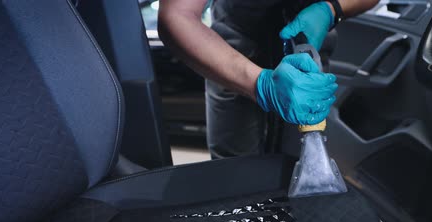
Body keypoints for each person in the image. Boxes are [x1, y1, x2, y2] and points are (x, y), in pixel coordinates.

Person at [158, 0, 379, 158]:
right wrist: (260, 84)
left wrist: (331, 8)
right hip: (231, 66)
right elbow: (177, 14)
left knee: (302, 167)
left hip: (308, 70)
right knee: (235, 174)